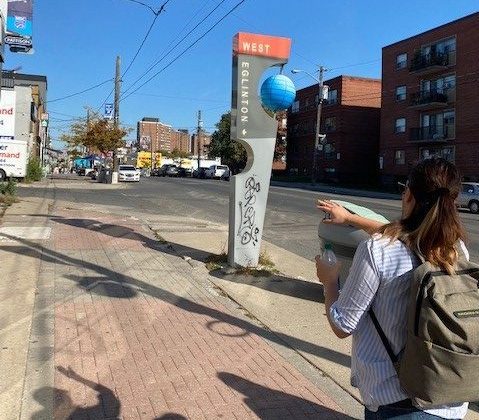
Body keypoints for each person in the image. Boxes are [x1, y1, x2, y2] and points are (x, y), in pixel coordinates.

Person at [315, 158, 469, 419]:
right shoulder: (456, 250)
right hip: (449, 399)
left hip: (394, 400)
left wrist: (329, 281)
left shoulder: (377, 250)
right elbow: (410, 235)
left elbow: (342, 325)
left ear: (408, 194)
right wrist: (350, 217)